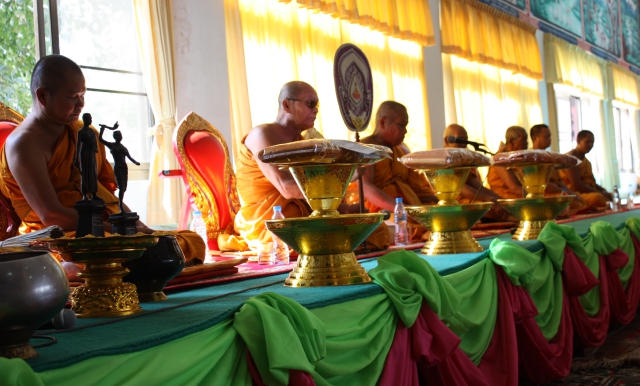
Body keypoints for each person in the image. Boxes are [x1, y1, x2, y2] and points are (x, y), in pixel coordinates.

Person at [0, 55, 205, 264]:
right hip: (59, 237)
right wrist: (119, 231)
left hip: (105, 229)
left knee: (188, 241)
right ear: (43, 96)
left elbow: (104, 193)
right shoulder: (24, 145)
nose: (81, 104)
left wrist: (137, 226)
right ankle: (68, 268)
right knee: (110, 254)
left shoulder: (82, 133)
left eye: (82, 95)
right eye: (72, 97)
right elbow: (51, 215)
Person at [221, 81, 389, 252]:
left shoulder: (304, 143)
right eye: (310, 103)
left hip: (305, 218)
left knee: (374, 230)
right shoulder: (261, 134)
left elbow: (312, 186)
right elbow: (287, 188)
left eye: (317, 105)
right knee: (314, 241)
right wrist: (341, 181)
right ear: (287, 105)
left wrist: (344, 209)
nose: (315, 110)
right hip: (271, 221)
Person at [358, 101, 437, 242]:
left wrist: (440, 201)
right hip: (382, 210)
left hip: (405, 207)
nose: (405, 131)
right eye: (401, 125)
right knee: (405, 227)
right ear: (383, 123)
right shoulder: (366, 148)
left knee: (436, 215)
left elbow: (414, 189)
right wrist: (403, 209)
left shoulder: (400, 153)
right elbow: (366, 189)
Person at [443, 124, 511, 220]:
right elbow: (460, 189)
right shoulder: (442, 160)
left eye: (466, 140)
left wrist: (501, 200)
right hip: (452, 202)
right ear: (447, 140)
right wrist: (488, 199)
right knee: (489, 208)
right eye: (461, 139)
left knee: (505, 205)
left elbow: (478, 187)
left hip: (467, 198)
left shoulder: (462, 161)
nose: (464, 144)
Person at [529, 124, 588, 213]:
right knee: (572, 202)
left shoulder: (549, 157)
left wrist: (569, 192)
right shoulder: (530, 158)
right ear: (535, 138)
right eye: (546, 137)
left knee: (579, 199)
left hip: (558, 192)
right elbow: (542, 185)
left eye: (550, 136)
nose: (550, 139)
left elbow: (559, 181)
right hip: (544, 194)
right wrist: (564, 192)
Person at [559, 130, 611, 208]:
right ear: (578, 141)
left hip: (588, 193)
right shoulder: (569, 159)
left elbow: (592, 183)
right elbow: (577, 185)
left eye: (592, 143)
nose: (590, 145)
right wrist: (600, 193)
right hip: (575, 194)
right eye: (587, 142)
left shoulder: (587, 162)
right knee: (597, 197)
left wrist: (603, 190)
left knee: (611, 195)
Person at [99, 122, 140, 213]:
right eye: (117, 135)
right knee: (121, 187)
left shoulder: (123, 147)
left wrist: (136, 162)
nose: (119, 137)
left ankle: (120, 205)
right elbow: (101, 139)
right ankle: (120, 206)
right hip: (118, 168)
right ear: (114, 137)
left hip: (124, 168)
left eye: (120, 135)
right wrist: (102, 129)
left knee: (124, 188)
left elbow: (129, 157)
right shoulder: (112, 145)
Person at [487, 126, 527, 199]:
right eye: (523, 140)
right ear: (511, 141)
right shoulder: (499, 158)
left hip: (519, 196)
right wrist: (536, 195)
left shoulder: (515, 157)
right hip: (505, 199)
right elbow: (514, 188)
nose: (527, 143)